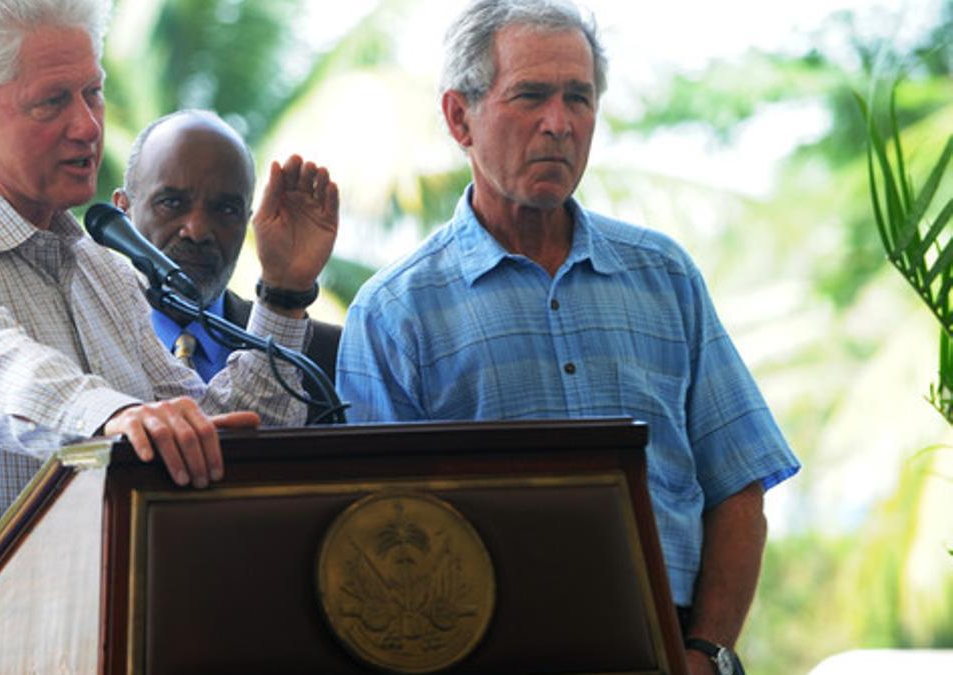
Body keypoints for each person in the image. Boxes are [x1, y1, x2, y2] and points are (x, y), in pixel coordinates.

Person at [0, 0, 337, 672]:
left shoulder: (101, 267)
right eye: (51, 102)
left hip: (109, 637)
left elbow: (207, 436)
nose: (87, 125)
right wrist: (118, 418)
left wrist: (282, 295)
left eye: (93, 92)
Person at [335, 1, 799, 673]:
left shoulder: (664, 276)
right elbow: (380, 537)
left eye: (579, 98)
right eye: (530, 96)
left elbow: (738, 482)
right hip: (488, 648)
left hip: (668, 646)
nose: (560, 123)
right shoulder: (395, 311)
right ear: (459, 118)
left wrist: (707, 653)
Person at [112, 110, 342, 423]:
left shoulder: (322, 359)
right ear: (122, 209)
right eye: (171, 203)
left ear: (248, 222)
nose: (196, 230)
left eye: (225, 209)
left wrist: (287, 291)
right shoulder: (83, 342)